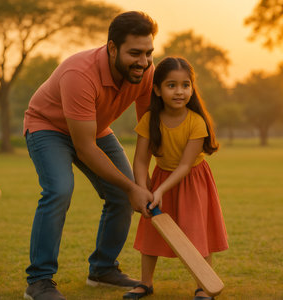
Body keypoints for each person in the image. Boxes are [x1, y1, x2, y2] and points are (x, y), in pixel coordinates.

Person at [22, 11, 158, 300]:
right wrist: (132, 186)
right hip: (48, 128)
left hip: (94, 128)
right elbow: (85, 148)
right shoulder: (79, 74)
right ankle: (39, 280)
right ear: (112, 48)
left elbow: (147, 133)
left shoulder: (146, 73)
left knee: (122, 195)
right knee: (59, 189)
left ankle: (103, 269)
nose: (143, 62)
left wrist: (143, 182)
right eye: (135, 53)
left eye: (148, 53)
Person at [123, 57, 228, 300]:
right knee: (151, 231)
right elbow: (140, 161)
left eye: (185, 85)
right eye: (171, 85)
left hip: (192, 180)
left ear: (192, 88)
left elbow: (184, 167)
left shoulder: (196, 122)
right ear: (158, 90)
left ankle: (204, 286)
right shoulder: (150, 120)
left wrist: (159, 190)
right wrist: (144, 187)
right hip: (161, 179)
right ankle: (145, 283)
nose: (179, 91)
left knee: (197, 232)